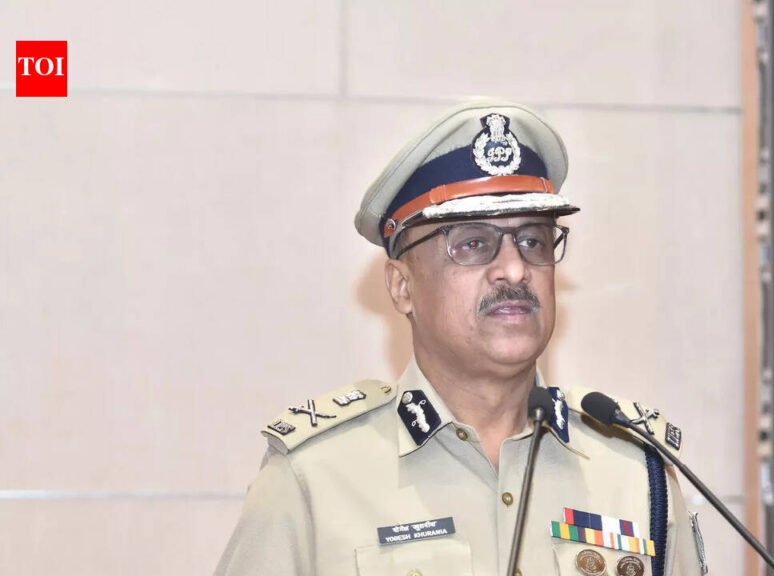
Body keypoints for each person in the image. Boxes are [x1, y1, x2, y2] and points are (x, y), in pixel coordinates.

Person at [215, 101, 708, 576]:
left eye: (533, 241)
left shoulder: (635, 471)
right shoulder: (315, 479)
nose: (514, 269)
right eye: (472, 244)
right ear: (402, 287)